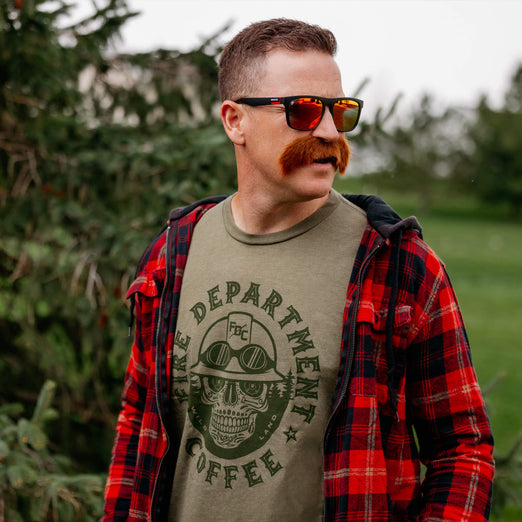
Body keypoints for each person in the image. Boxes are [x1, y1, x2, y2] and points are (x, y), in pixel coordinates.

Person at [102, 18, 494, 521]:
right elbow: (139, 426)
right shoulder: (171, 257)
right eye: (303, 111)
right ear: (234, 120)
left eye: (339, 111)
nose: (329, 131)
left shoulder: (400, 268)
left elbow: (462, 449)